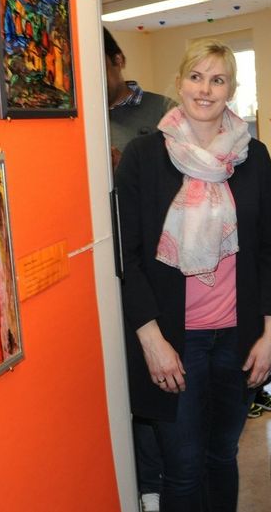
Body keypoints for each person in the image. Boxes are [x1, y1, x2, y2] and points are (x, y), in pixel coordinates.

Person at [116, 39, 271, 512]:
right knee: (184, 469)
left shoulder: (254, 156)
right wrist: (151, 339)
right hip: (174, 338)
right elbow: (128, 258)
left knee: (222, 456)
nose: (205, 89)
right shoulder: (144, 156)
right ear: (178, 83)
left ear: (231, 89)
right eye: (196, 77)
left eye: (218, 79)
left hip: (238, 337)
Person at [104, 27, 171, 512]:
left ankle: (166, 482)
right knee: (132, 377)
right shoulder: (79, 116)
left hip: (159, 260)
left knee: (159, 378)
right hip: (107, 257)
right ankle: (148, 487)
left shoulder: (163, 108)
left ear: (119, 60)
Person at [105, 27, 171, 170]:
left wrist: (126, 166)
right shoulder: (80, 121)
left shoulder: (166, 110)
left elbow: (185, 174)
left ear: (118, 60)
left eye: (99, 69)